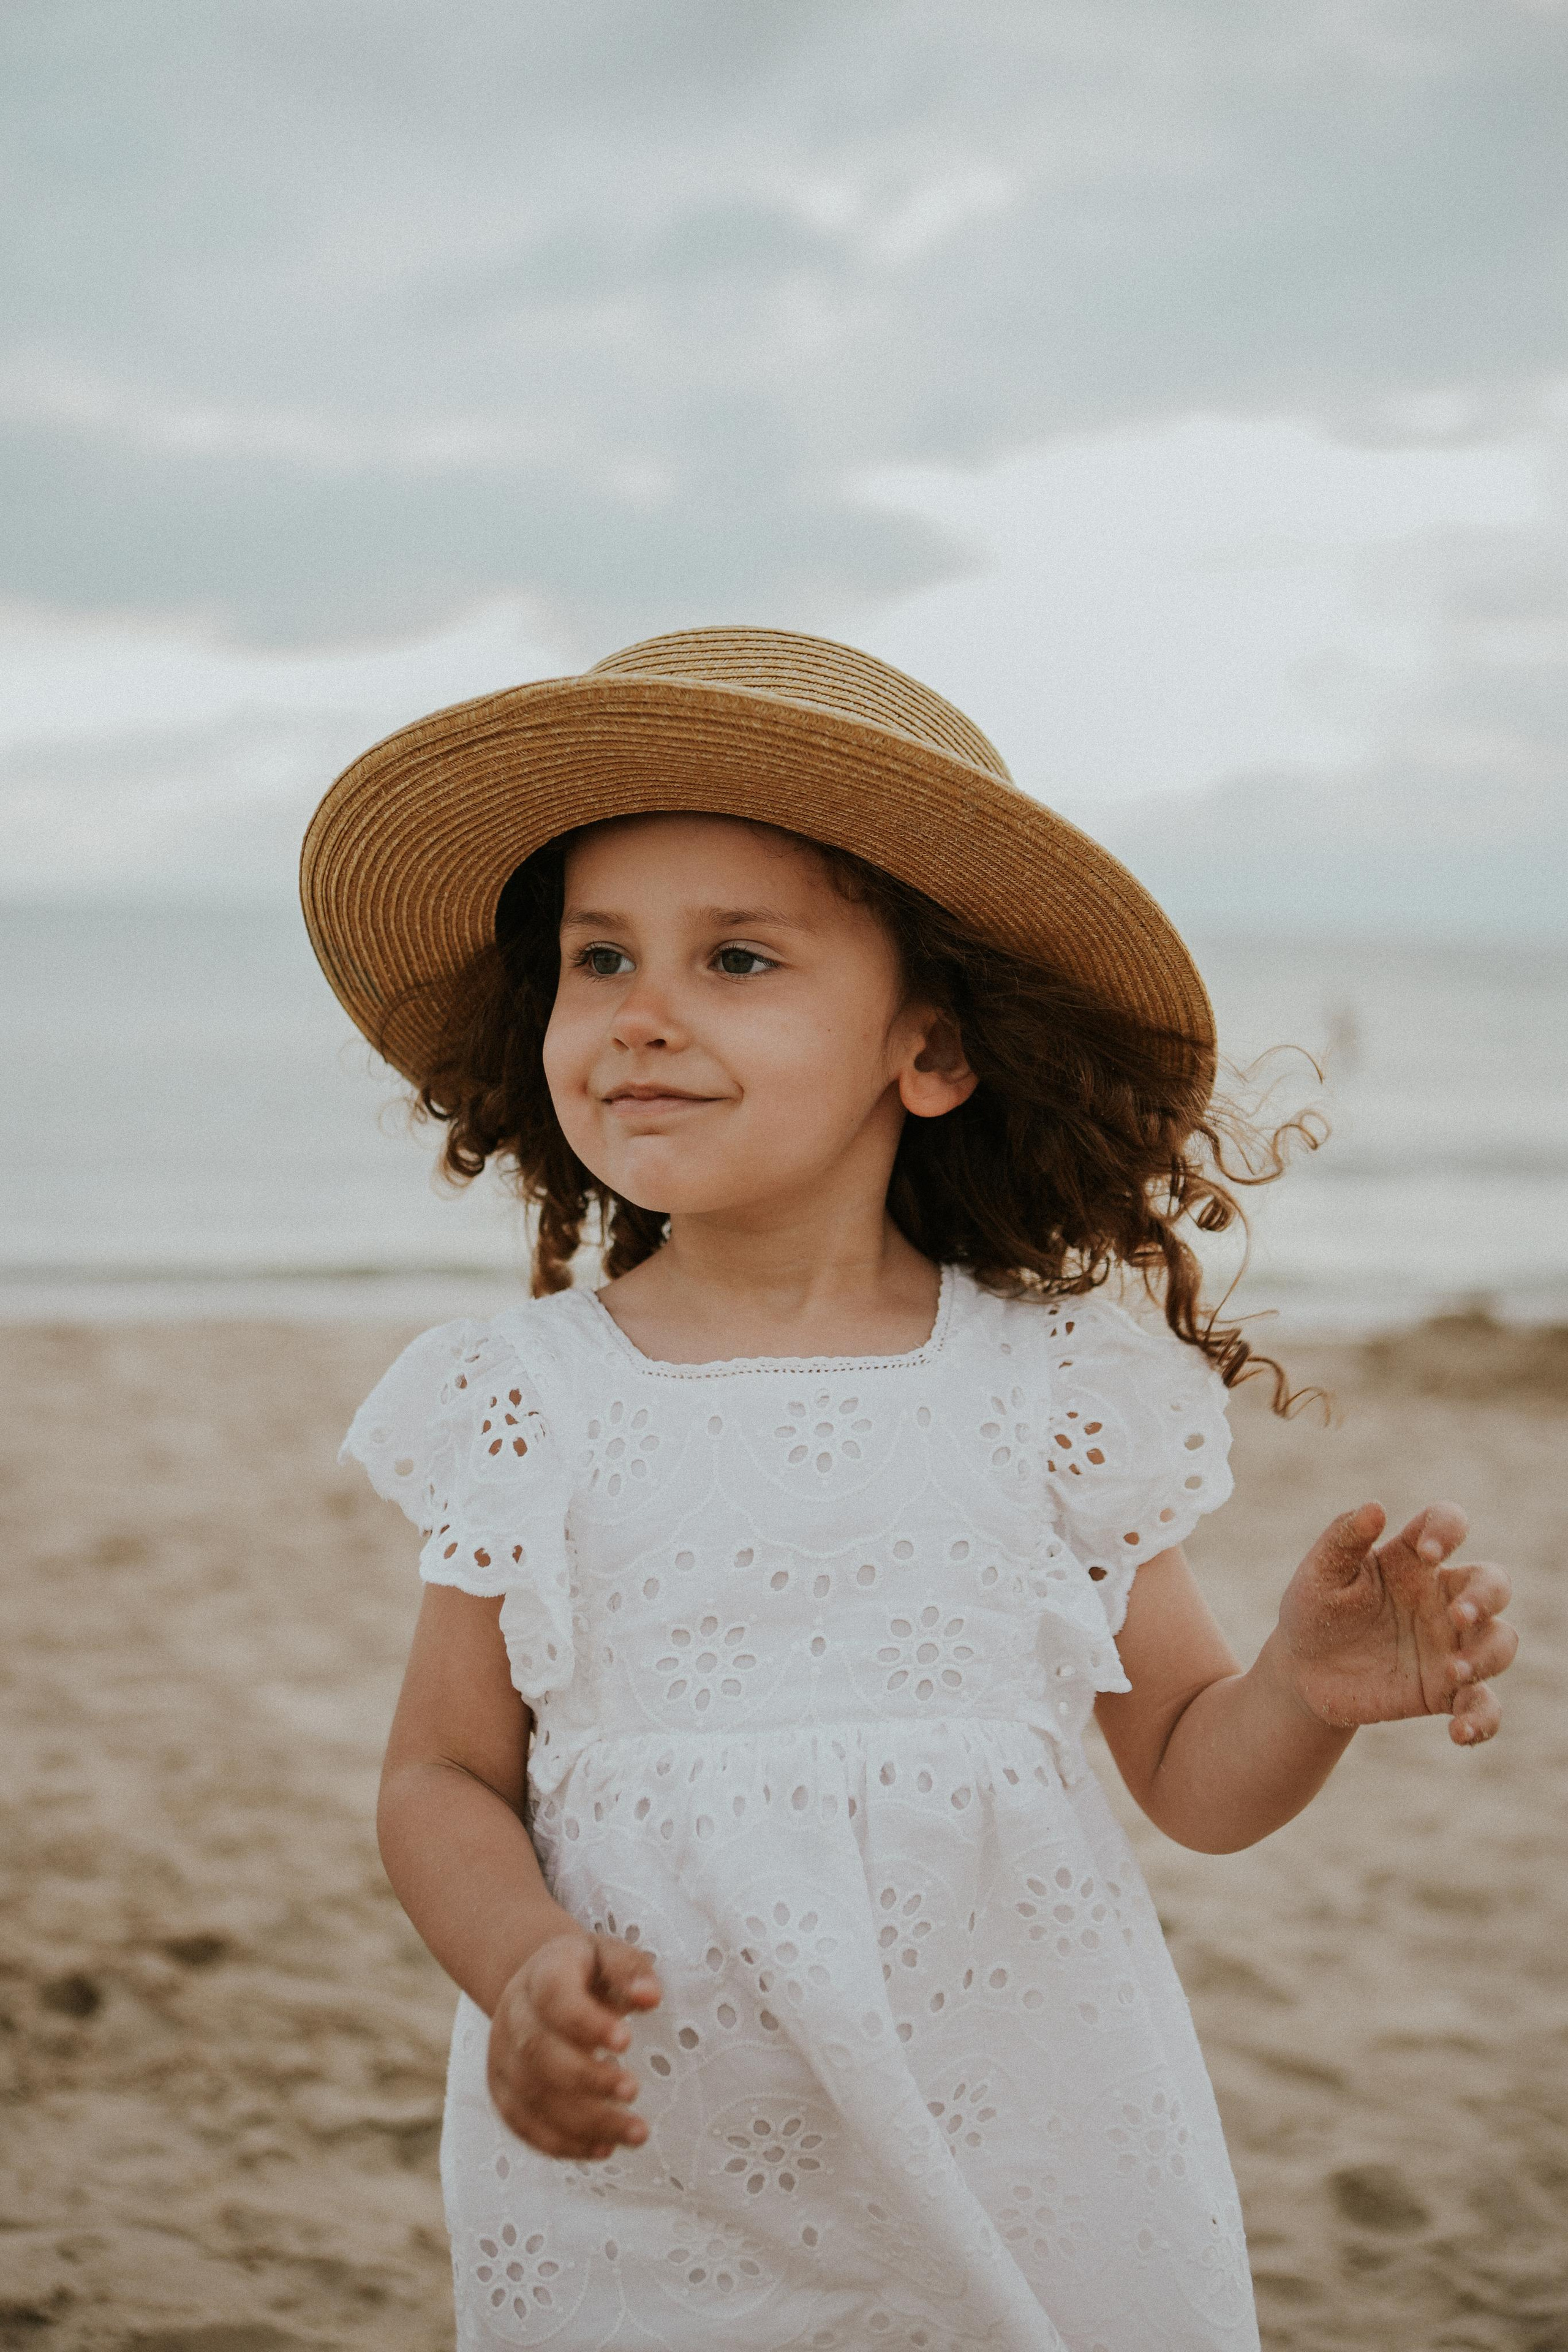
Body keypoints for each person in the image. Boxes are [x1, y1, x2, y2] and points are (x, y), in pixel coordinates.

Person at [304, 628, 1517, 2352]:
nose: (642, 1013)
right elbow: (439, 1773)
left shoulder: (1045, 1387)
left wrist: (1303, 1694)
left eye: (735, 957)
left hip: (1029, 2137)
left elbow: (1190, 1776)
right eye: (597, 959)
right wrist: (518, 1971)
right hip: (665, 2161)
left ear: (931, 1051)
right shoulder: (526, 1397)